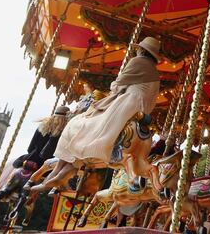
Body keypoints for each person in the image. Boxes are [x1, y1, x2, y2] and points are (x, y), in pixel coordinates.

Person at [31, 36, 162, 192]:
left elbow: (120, 82)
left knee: (90, 122)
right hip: (144, 110)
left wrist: (114, 87)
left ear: (141, 50)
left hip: (129, 103)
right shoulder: (155, 73)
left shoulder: (138, 61)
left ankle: (83, 153)